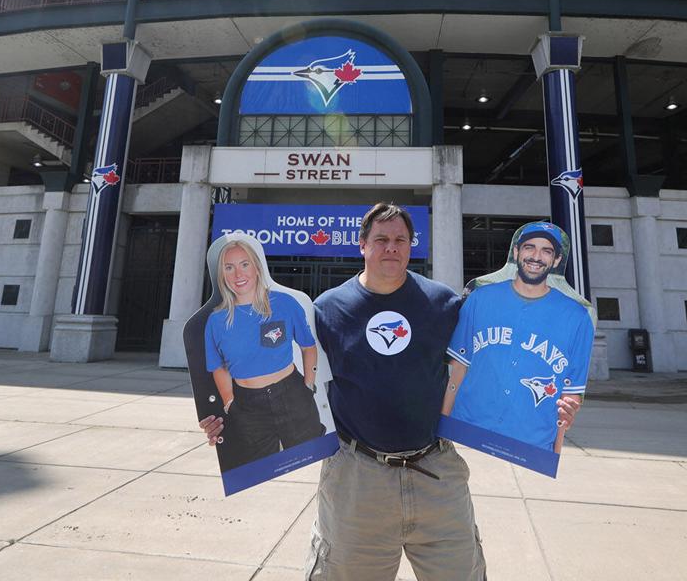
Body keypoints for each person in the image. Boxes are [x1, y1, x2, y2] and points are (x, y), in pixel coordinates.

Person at [201, 205, 579, 580]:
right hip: (356, 478)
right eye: (381, 239)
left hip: (436, 473)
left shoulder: (444, 304)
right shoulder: (325, 311)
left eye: (400, 239)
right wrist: (227, 420)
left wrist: (553, 408)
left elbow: (492, 369)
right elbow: (281, 380)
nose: (391, 247)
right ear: (362, 245)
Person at [442, 222, 593, 453]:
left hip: (531, 444)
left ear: (556, 261)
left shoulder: (578, 317)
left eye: (546, 251)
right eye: (529, 247)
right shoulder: (480, 297)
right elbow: (457, 370)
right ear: (516, 252)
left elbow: (570, 395)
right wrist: (443, 427)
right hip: (468, 427)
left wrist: (555, 453)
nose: (536, 256)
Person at [204, 238, 325, 466]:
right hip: (248, 406)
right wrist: (230, 402)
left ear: (257, 267)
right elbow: (217, 367)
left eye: (244, 264)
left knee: (310, 464)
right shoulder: (216, 321)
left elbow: (308, 347)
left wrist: (309, 385)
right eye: (229, 267)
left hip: (293, 395)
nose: (238, 273)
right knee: (259, 474)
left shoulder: (286, 303)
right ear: (222, 275)